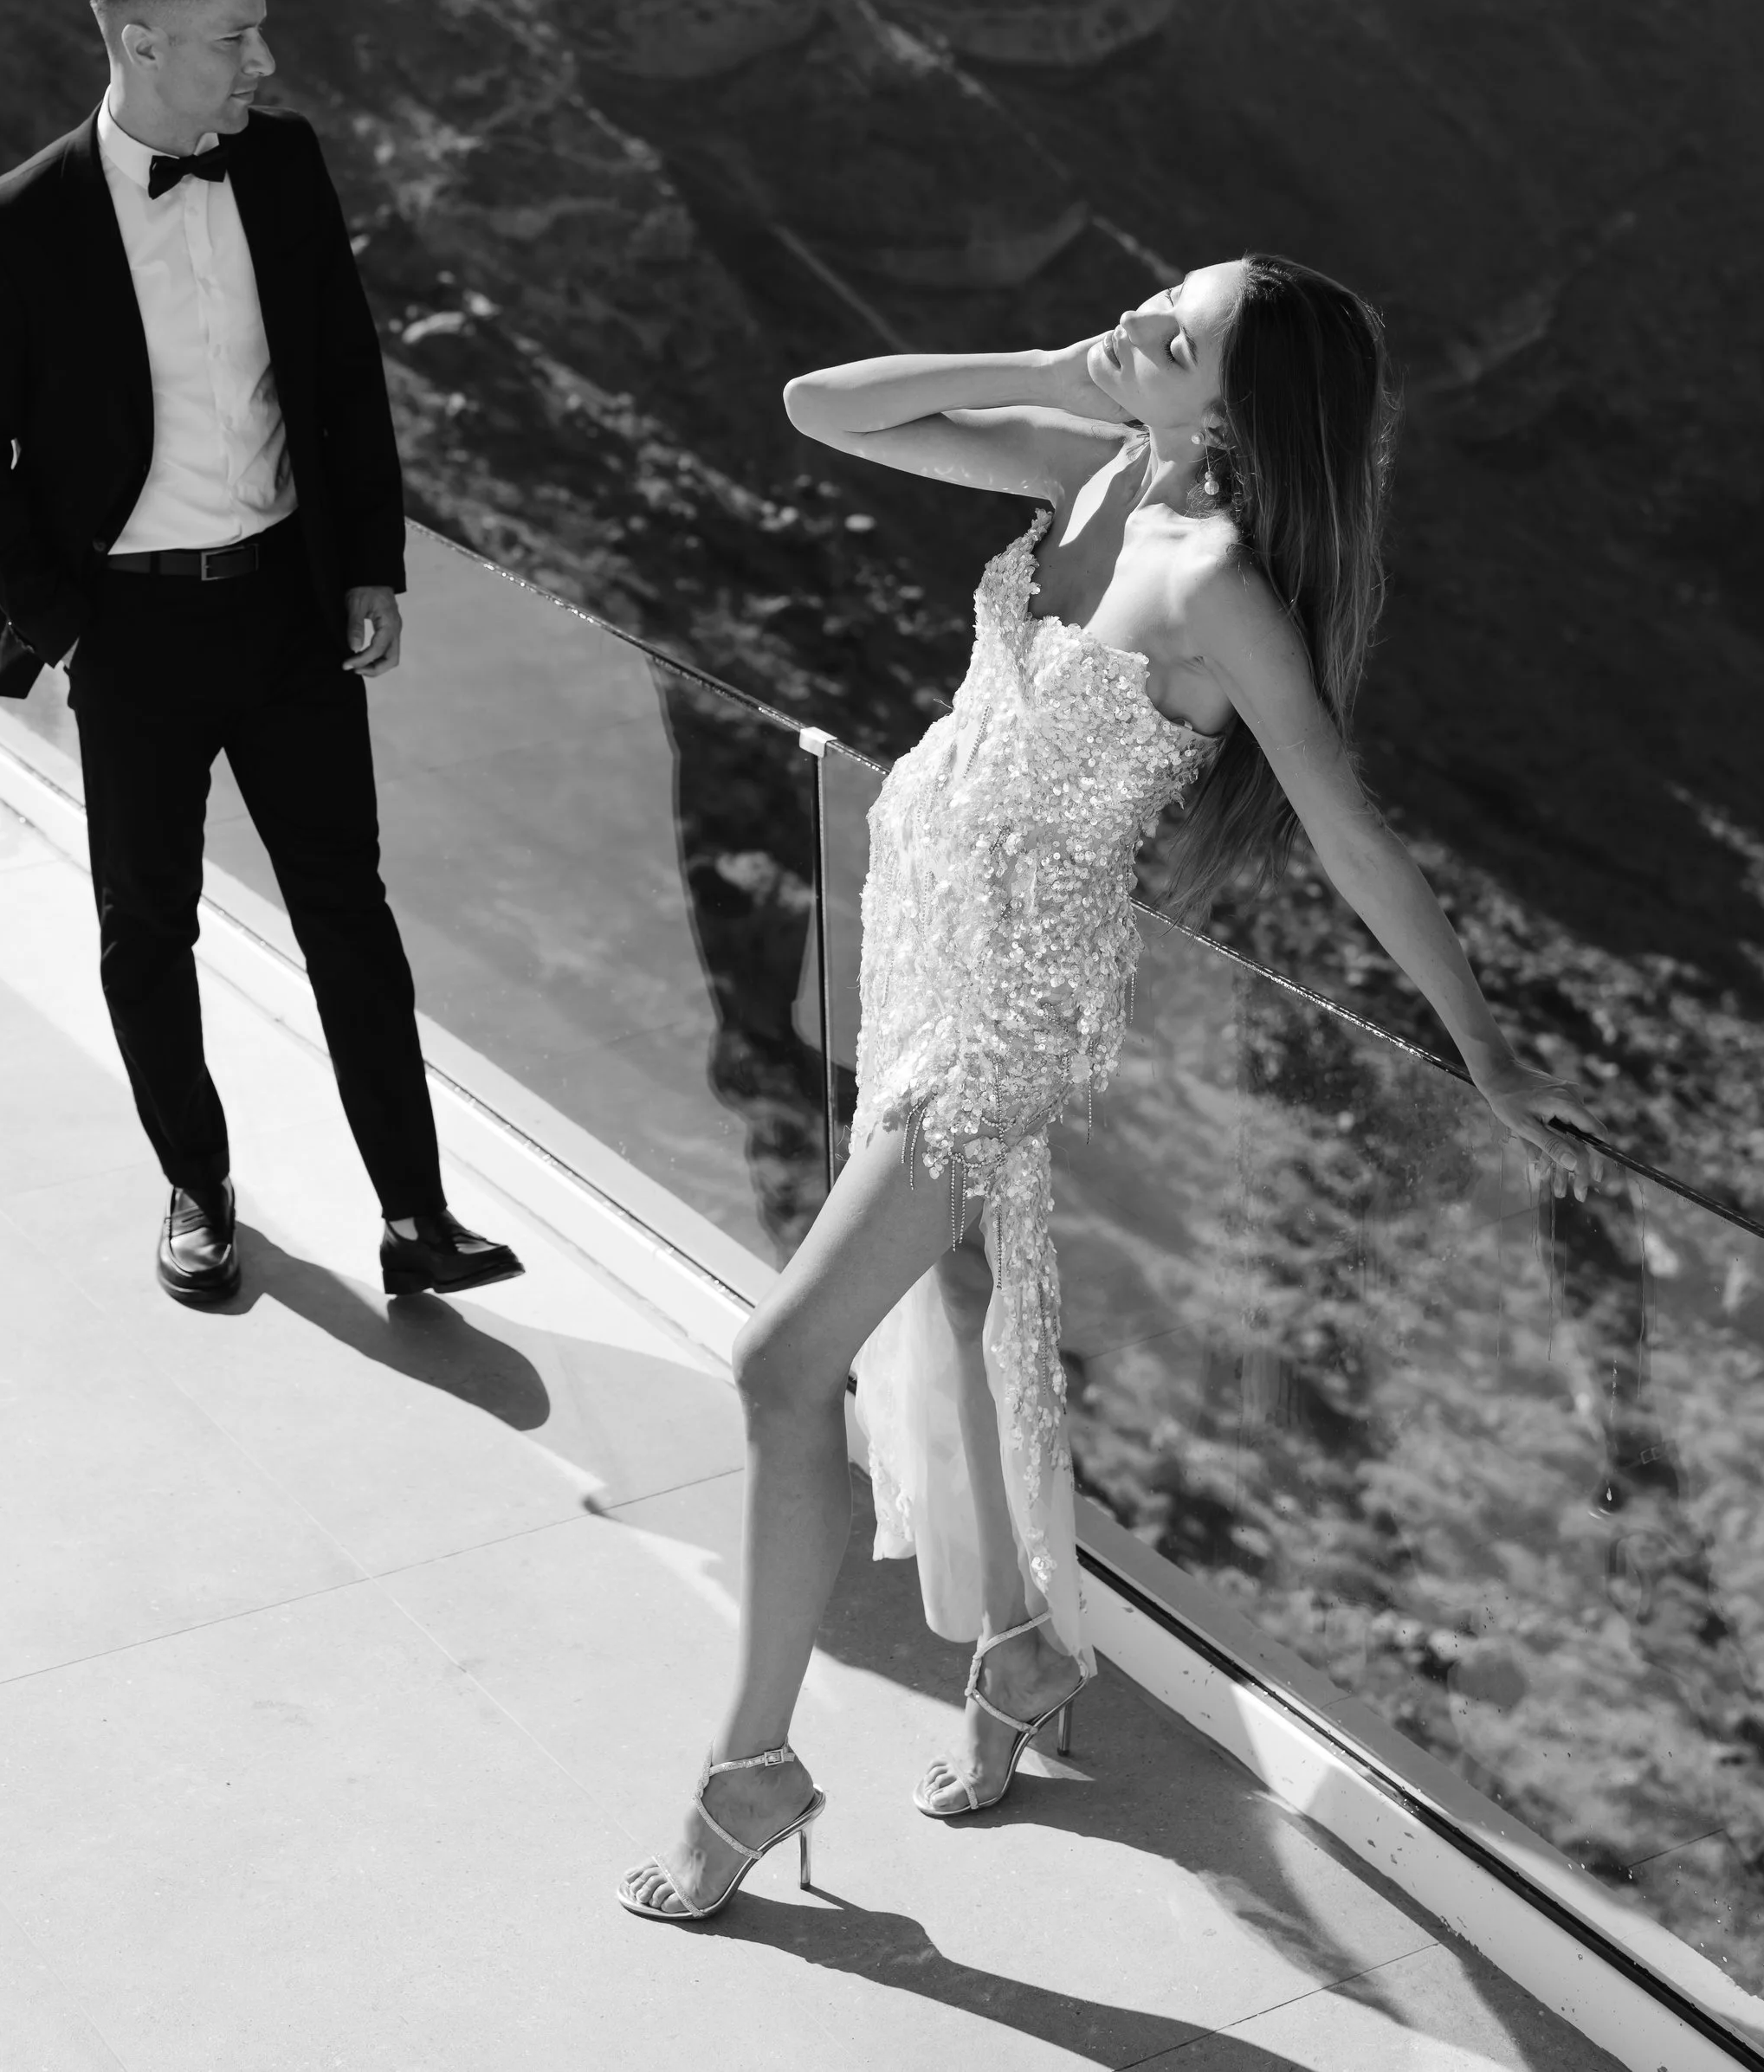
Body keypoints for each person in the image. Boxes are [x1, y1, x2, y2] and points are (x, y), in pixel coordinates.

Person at [617, 255, 1600, 1920]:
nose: (1138, 319)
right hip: (920, 927)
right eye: (1158, 295)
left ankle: (752, 1761)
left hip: (1007, 1009)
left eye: (1178, 332)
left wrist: (1486, 1052)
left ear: (1236, 410)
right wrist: (1053, 368)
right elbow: (818, 407)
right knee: (955, 1294)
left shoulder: (1215, 583)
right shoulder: (1082, 465)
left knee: (783, 1363)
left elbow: (1349, 831)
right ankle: (1020, 1653)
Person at [0, 0, 520, 1310]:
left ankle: (417, 1212)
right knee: (150, 923)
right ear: (140, 41)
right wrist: (66, 624)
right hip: (128, 631)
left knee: (349, 914)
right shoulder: (11, 226)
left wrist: (368, 564)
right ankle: (197, 1189)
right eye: (232, 36)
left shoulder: (287, 162)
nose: (262, 60)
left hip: (288, 610)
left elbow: (343, 376)